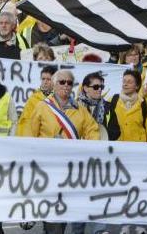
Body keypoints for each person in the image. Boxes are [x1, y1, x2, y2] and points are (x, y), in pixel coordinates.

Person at [31, 69, 99, 234]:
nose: (66, 86)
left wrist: (89, 150)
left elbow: (93, 131)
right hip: (48, 169)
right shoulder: (41, 107)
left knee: (69, 212)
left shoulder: (80, 109)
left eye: (69, 83)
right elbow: (30, 136)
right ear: (54, 84)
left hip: (72, 170)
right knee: (53, 217)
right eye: (62, 82)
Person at [107, 70, 147, 142]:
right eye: (124, 81)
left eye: (129, 82)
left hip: (138, 151)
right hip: (117, 149)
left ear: (137, 86)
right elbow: (105, 125)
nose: (125, 84)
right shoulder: (113, 101)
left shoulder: (144, 105)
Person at [16, 65, 57, 136]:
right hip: (37, 140)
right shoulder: (33, 98)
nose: (45, 82)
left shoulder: (61, 99)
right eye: (43, 79)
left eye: (48, 79)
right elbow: (26, 121)